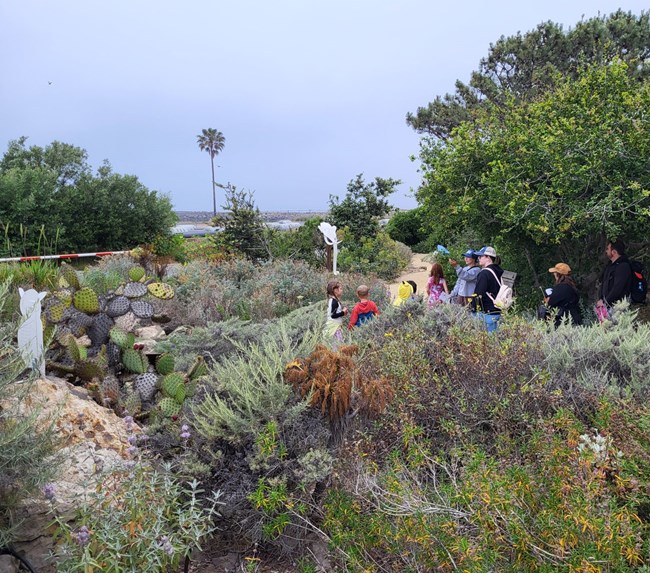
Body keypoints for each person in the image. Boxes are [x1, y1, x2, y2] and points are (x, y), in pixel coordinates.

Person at [471, 246, 504, 332]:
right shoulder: (499, 271)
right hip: (498, 309)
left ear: (488, 257)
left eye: (481, 256)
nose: (478, 258)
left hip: (486, 312)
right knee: (494, 339)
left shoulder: (484, 273)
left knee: (485, 341)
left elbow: (478, 293)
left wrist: (473, 308)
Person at [596, 239, 633, 316]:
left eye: (608, 249)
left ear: (614, 252)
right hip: (606, 306)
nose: (606, 251)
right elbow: (604, 283)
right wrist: (601, 299)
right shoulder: (610, 266)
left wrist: (605, 302)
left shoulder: (623, 266)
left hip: (618, 306)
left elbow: (617, 288)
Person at [544, 263, 582, 328]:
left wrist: (547, 295)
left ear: (559, 274)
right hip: (574, 318)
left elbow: (549, 303)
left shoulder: (561, 288)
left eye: (555, 272)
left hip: (565, 322)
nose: (554, 274)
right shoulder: (571, 286)